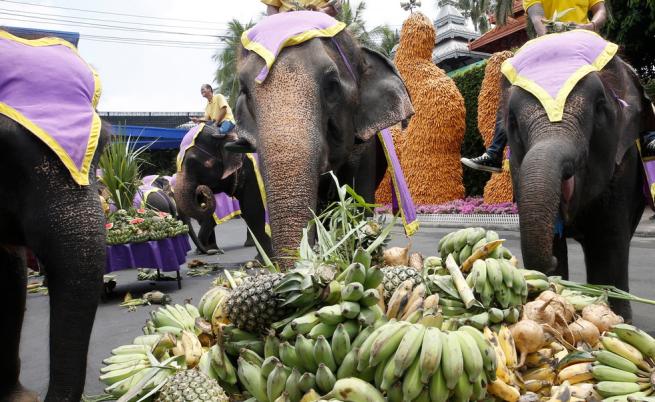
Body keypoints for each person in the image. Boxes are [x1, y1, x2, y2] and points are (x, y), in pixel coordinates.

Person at [461, 0, 629, 173]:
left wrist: (591, 26)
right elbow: (538, 18)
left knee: (619, 66)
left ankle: (647, 133)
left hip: (584, 38)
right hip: (547, 42)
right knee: (512, 79)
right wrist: (552, 39)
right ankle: (495, 152)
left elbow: (600, 9)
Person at [262, 0, 342, 16]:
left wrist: (322, 11)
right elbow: (272, 6)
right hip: (286, 21)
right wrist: (277, 20)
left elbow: (336, 4)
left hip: (320, 17)